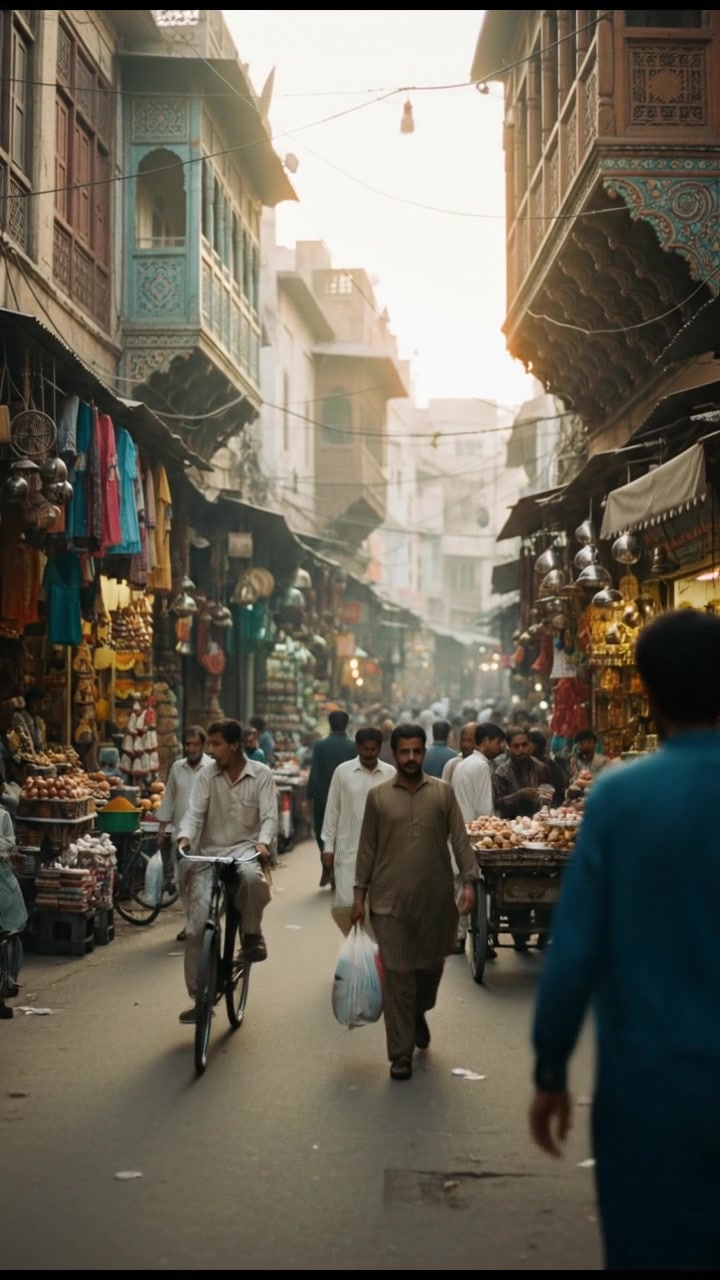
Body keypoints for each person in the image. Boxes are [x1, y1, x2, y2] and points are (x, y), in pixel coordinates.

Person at [530, 610, 720, 1271]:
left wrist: (550, 1069)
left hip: (651, 1085)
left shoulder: (620, 798)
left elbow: (575, 948)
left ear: (644, 688)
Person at [352, 724, 477, 1081]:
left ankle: (419, 1012)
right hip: (388, 903)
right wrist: (358, 895)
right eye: (404, 752)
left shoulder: (443, 793)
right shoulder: (378, 797)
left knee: (429, 972)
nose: (410, 758)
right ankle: (400, 1054)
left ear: (424, 752)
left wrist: (469, 881)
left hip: (435, 902)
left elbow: (460, 839)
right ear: (394, 753)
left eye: (416, 752)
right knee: (398, 978)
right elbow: (367, 849)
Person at [176, 719, 276, 1025]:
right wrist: (184, 836)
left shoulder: (261, 774)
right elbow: (195, 812)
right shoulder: (207, 775)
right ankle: (199, 997)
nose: (211, 750)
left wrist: (263, 842)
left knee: (251, 881)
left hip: (245, 851)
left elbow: (269, 817)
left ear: (234, 745)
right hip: (208, 854)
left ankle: (251, 933)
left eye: (216, 744)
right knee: (195, 929)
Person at [321, 727, 395, 935]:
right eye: (365, 749)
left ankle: (372, 955)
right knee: (346, 904)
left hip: (382, 852)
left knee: (376, 907)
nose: (369, 753)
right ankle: (357, 944)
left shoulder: (390, 773)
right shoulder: (342, 772)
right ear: (357, 747)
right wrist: (328, 846)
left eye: (373, 749)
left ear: (380, 748)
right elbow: (332, 810)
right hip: (347, 851)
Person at [155, 726, 213, 942]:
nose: (190, 749)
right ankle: (190, 923)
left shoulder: (212, 768)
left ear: (203, 746)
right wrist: (162, 828)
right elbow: (169, 797)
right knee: (183, 883)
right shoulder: (177, 768)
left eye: (195, 745)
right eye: (187, 744)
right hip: (180, 835)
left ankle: (199, 924)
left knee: (201, 883)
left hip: (205, 836)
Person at [307, 709, 357, 887]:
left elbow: (315, 772)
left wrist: (309, 796)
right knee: (344, 832)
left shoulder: (320, 745)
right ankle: (338, 868)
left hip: (323, 796)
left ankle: (327, 864)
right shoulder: (353, 745)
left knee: (323, 831)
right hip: (347, 796)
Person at [493, 727, 552, 819]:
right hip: (510, 825)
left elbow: (550, 795)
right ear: (509, 748)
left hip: (539, 823)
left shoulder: (542, 768)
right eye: (516, 746)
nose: (521, 749)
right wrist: (520, 795)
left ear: (530, 745)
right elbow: (497, 804)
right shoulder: (501, 773)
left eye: (524, 745)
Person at [452, 723, 506, 822]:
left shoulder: (464, 763)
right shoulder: (482, 766)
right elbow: (484, 808)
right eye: (498, 743)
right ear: (485, 742)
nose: (500, 747)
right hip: (473, 829)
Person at [528, 729, 566, 807]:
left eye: (528, 743)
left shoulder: (549, 765)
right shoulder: (528, 763)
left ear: (536, 745)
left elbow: (557, 790)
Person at [441, 721, 477, 785]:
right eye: (463, 740)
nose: (466, 745)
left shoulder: (485, 764)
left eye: (470, 741)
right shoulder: (452, 765)